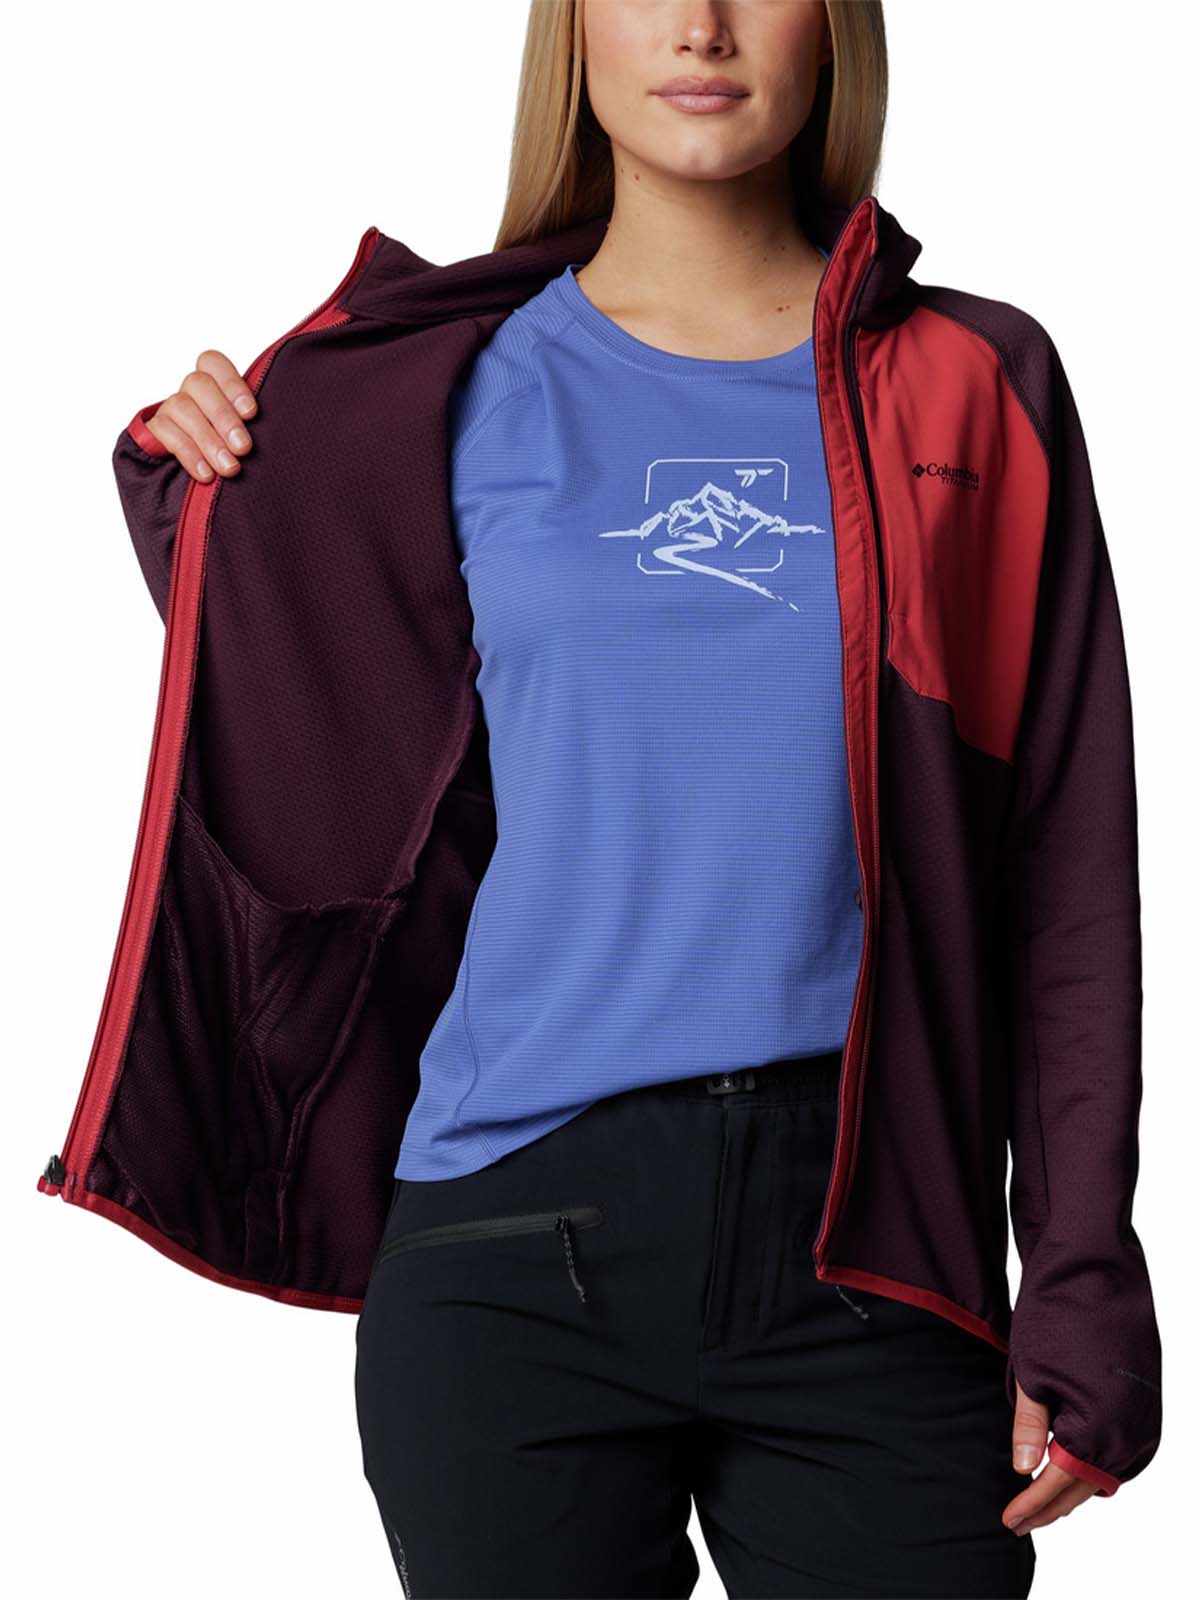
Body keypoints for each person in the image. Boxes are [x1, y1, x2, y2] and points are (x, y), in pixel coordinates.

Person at [130, 3, 1160, 1595]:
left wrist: (1082, 1276)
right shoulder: (445, 386)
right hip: (509, 1239)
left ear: (836, 29)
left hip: (879, 1246)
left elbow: (1066, 868)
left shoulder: (976, 379)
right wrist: (188, 487)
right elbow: (309, 716)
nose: (701, 25)